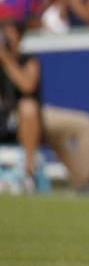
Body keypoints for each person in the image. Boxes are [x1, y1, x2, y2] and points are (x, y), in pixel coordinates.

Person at [0, 17, 42, 192]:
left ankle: (28, 174)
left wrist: (5, 58)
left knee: (28, 108)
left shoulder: (29, 61)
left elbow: (27, 85)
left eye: (10, 32)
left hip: (24, 119)